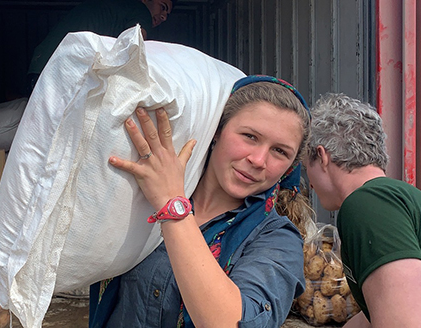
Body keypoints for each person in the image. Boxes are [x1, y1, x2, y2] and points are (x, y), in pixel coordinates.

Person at [89, 75, 313, 327]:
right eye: (249, 136)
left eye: (280, 151)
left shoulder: (278, 240)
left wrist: (171, 204)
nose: (259, 160)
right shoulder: (140, 195)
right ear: (217, 131)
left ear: (289, 167)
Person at [303, 93, 421, 327]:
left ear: (322, 157)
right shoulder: (404, 199)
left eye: (305, 167)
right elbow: (389, 305)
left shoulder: (368, 203)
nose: (309, 183)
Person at [27, 0, 174, 92]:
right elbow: (134, 51)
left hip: (41, 68)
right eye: (163, 7)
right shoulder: (141, 10)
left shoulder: (114, 7)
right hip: (65, 74)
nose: (164, 16)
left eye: (167, 14)